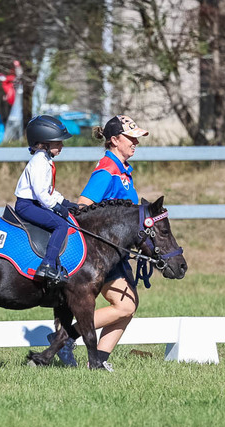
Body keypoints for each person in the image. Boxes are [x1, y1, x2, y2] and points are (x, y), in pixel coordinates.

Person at [56, 114, 150, 370]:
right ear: (114, 140)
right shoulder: (107, 171)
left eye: (136, 138)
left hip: (116, 253)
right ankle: (65, 338)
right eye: (131, 138)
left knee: (129, 306)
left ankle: (98, 360)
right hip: (101, 256)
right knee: (124, 305)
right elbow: (83, 208)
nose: (135, 143)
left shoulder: (123, 171)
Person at [14, 115, 80, 282]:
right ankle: (47, 266)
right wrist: (57, 208)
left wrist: (64, 202)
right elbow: (41, 194)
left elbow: (49, 190)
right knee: (60, 225)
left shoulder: (45, 160)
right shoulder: (39, 162)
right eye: (58, 143)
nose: (62, 146)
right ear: (44, 142)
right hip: (27, 205)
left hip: (35, 203)